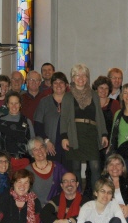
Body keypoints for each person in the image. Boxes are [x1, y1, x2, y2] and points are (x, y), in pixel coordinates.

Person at [60, 64, 109, 196]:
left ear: (87, 78)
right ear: (73, 78)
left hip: (91, 133)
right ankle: (77, 197)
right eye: (77, 75)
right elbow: (64, 118)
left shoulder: (94, 95)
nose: (80, 78)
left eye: (83, 75)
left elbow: (99, 115)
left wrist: (104, 134)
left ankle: (96, 196)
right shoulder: (68, 96)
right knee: (75, 167)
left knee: (95, 166)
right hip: (74, 133)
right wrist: (64, 137)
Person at [34, 71, 69, 167]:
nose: (58, 85)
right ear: (52, 85)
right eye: (55, 83)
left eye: (61, 82)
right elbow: (38, 125)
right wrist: (46, 141)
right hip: (50, 146)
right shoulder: (44, 102)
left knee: (68, 172)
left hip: (69, 145)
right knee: (53, 172)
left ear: (66, 85)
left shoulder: (72, 101)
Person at [0, 90, 35, 172]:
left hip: (24, 162)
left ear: (20, 104)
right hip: (5, 164)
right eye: (11, 103)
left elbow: (32, 144)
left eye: (16, 103)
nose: (14, 106)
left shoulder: (27, 121)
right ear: (7, 104)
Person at [25, 136, 68, 206]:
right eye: (35, 149)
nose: (40, 151)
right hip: (36, 208)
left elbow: (71, 183)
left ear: (46, 149)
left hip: (56, 207)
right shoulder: (27, 171)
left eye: (41, 147)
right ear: (32, 154)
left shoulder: (58, 167)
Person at [93, 75, 120, 167]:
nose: (103, 90)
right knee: (93, 169)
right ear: (96, 89)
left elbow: (117, 126)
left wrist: (112, 144)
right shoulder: (90, 104)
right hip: (93, 142)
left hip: (109, 143)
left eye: (106, 88)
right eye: (101, 88)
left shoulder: (115, 104)